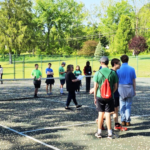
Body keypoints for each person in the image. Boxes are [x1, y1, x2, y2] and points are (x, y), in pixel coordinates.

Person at [93, 56, 118, 139]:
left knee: (100, 114)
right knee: (108, 114)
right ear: (108, 62)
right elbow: (115, 86)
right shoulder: (113, 73)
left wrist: (95, 97)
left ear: (101, 63)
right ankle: (110, 133)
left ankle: (99, 132)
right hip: (110, 96)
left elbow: (95, 86)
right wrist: (111, 92)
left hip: (100, 96)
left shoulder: (97, 73)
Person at [117, 55, 136, 126]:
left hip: (121, 87)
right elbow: (134, 81)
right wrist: (134, 90)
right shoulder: (132, 69)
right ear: (128, 60)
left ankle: (123, 120)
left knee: (122, 105)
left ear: (121, 60)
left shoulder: (118, 69)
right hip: (129, 87)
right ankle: (128, 120)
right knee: (128, 105)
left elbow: (117, 81)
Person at [111, 58, 127, 131]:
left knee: (116, 109)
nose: (120, 64)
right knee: (113, 110)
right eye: (119, 63)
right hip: (114, 95)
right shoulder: (112, 72)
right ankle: (101, 118)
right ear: (115, 64)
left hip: (116, 94)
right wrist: (113, 93)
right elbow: (115, 85)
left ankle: (116, 124)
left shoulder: (115, 72)